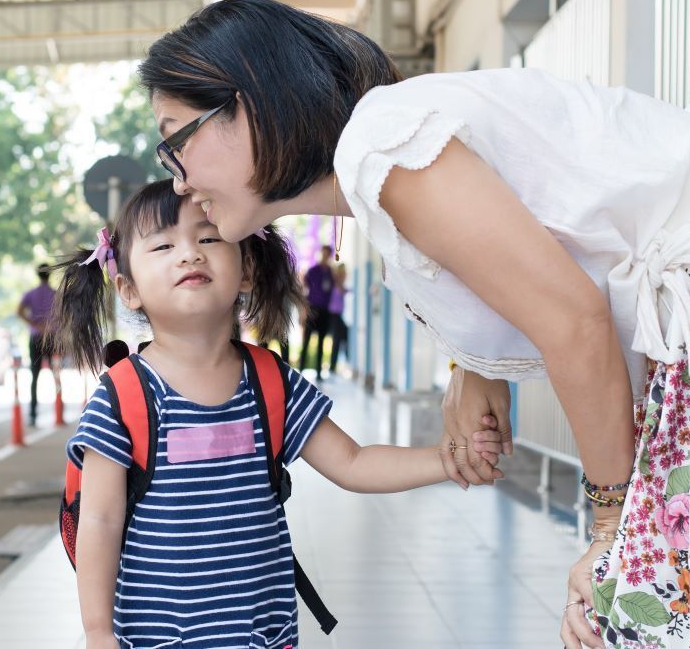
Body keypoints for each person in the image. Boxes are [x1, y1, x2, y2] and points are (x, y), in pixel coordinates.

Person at [138, 0, 690, 648]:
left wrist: (608, 530)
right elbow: (520, 273)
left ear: (254, 102)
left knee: (646, 608)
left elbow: (574, 322)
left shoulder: (385, 149)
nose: (177, 182)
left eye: (176, 140)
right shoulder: (380, 167)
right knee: (651, 614)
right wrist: (473, 369)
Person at [49, 180, 503, 649]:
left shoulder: (270, 381)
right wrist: (98, 631)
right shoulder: (122, 397)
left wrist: (445, 460)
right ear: (128, 289)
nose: (189, 254)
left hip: (263, 636)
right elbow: (100, 523)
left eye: (208, 238)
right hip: (156, 639)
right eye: (163, 245)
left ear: (245, 270)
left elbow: (352, 462)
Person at [17, 263, 56, 427]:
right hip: (52, 337)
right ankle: (59, 409)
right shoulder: (56, 294)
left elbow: (19, 311)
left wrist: (34, 324)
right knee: (56, 373)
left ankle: (33, 414)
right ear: (50, 275)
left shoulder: (30, 294)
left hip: (35, 338)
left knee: (35, 375)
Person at [298, 244, 333, 377]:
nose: (325, 256)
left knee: (322, 341)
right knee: (306, 341)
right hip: (313, 309)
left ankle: (319, 372)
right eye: (323, 253)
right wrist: (304, 310)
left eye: (327, 254)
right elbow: (304, 288)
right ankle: (301, 369)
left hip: (325, 311)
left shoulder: (330, 273)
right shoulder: (313, 271)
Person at [326, 263, 349, 376]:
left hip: (338, 315)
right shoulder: (336, 283)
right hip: (333, 315)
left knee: (343, 338)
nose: (345, 275)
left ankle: (341, 364)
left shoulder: (340, 284)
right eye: (344, 273)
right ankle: (333, 366)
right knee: (337, 340)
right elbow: (343, 290)